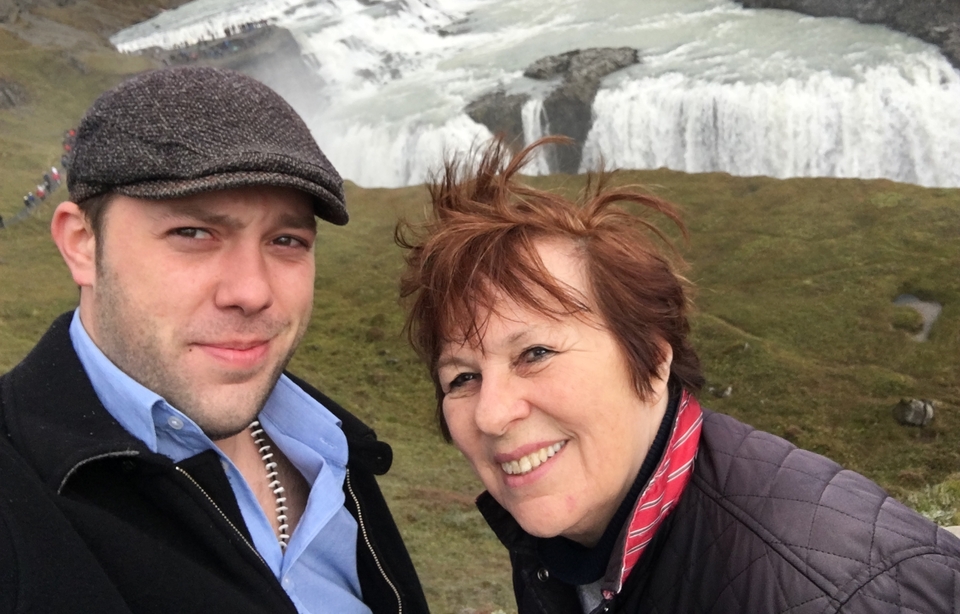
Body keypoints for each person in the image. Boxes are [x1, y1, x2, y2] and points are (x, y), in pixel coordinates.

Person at [397, 138, 960, 613]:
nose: (492, 414)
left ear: (653, 356)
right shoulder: (569, 551)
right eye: (462, 378)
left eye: (536, 352)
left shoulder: (838, 595)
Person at [0, 67, 429, 614]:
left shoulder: (331, 447)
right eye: (194, 233)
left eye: (287, 239)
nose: (251, 292)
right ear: (83, 244)